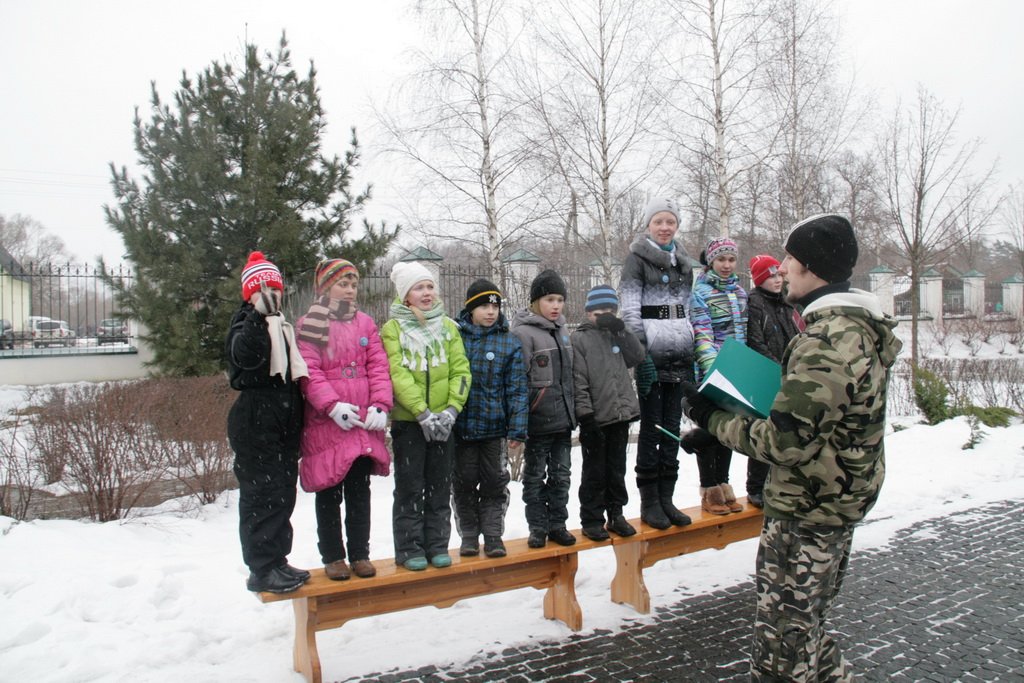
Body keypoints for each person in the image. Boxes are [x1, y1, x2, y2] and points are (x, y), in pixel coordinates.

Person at [682, 214, 902, 682]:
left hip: (808, 511)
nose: (781, 268)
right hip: (826, 502)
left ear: (811, 268)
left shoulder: (827, 341)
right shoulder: (849, 328)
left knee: (782, 650)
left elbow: (786, 443)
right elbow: (807, 418)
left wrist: (712, 419)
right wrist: (727, 425)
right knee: (807, 634)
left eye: (789, 258)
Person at [295, 259, 393, 581]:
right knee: (328, 491)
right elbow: (310, 370)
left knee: (359, 492)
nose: (350, 290)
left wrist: (380, 404)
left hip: (362, 421)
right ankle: (333, 556)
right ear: (325, 287)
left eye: (353, 284)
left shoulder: (365, 323)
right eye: (343, 284)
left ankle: (360, 554)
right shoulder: (312, 322)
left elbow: (378, 366)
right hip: (329, 424)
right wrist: (332, 406)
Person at [225, 251, 310, 594]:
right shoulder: (244, 323)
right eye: (263, 290)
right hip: (256, 422)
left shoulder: (282, 325)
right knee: (261, 496)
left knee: (282, 494)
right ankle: (261, 568)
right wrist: (257, 316)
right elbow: (247, 356)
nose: (271, 295)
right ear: (250, 294)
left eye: (275, 288)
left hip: (282, 422)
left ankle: (277, 561)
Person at [380, 261, 471, 571]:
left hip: (444, 422)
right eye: (419, 288)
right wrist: (421, 411)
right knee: (410, 486)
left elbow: (461, 370)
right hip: (410, 423)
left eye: (430, 286)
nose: (426, 292)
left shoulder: (448, 328)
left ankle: (437, 545)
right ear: (406, 295)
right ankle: (409, 548)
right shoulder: (393, 330)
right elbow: (397, 373)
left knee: (439, 486)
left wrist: (452, 409)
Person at [618, 198, 697, 530]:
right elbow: (629, 310)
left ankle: (667, 498)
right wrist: (641, 354)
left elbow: (688, 308)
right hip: (652, 354)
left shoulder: (684, 264)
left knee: (672, 429)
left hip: (680, 352)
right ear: (648, 225)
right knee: (652, 429)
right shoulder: (636, 261)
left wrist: (692, 344)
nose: (665, 228)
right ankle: (650, 501)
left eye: (670, 222)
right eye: (659, 222)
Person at [453, 279, 529, 558]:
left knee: (495, 484)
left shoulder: (509, 342)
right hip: (461, 429)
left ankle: (494, 535)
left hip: (494, 430)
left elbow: (517, 389)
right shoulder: (455, 338)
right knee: (463, 483)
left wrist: (517, 429)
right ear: (470, 309)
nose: (490, 312)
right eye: (484, 306)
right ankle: (469, 536)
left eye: (495, 307)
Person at [571, 284, 646, 541]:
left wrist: (621, 330)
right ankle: (591, 519)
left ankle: (616, 513)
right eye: (598, 312)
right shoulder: (580, 339)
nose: (604, 316)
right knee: (594, 471)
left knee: (617, 469)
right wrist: (585, 416)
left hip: (620, 414)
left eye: (610, 311)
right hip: (596, 418)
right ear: (588, 312)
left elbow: (637, 356)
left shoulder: (617, 334)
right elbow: (578, 381)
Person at [510, 269, 577, 548]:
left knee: (561, 476)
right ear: (536, 301)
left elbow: (570, 376)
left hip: (563, 421)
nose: (556, 306)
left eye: (560, 300)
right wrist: (518, 421)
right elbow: (517, 381)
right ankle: (537, 527)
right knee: (535, 477)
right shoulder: (523, 333)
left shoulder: (563, 330)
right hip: (537, 422)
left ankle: (558, 524)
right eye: (550, 299)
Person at [685, 236, 748, 515]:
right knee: (709, 429)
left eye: (731, 259)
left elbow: (744, 334)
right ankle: (709, 489)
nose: (726, 265)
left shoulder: (740, 293)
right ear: (711, 262)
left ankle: (724, 484)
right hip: (712, 370)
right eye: (721, 259)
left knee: (728, 429)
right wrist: (715, 371)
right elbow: (702, 335)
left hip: (736, 369)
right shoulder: (699, 293)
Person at [743, 254, 803, 508]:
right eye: (770, 276)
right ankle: (756, 487)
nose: (777, 280)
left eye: (778, 274)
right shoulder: (755, 303)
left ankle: (783, 483)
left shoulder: (787, 302)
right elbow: (755, 341)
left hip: (791, 375)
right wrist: (777, 369)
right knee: (765, 432)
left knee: (788, 432)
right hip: (767, 375)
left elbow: (799, 333)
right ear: (759, 280)